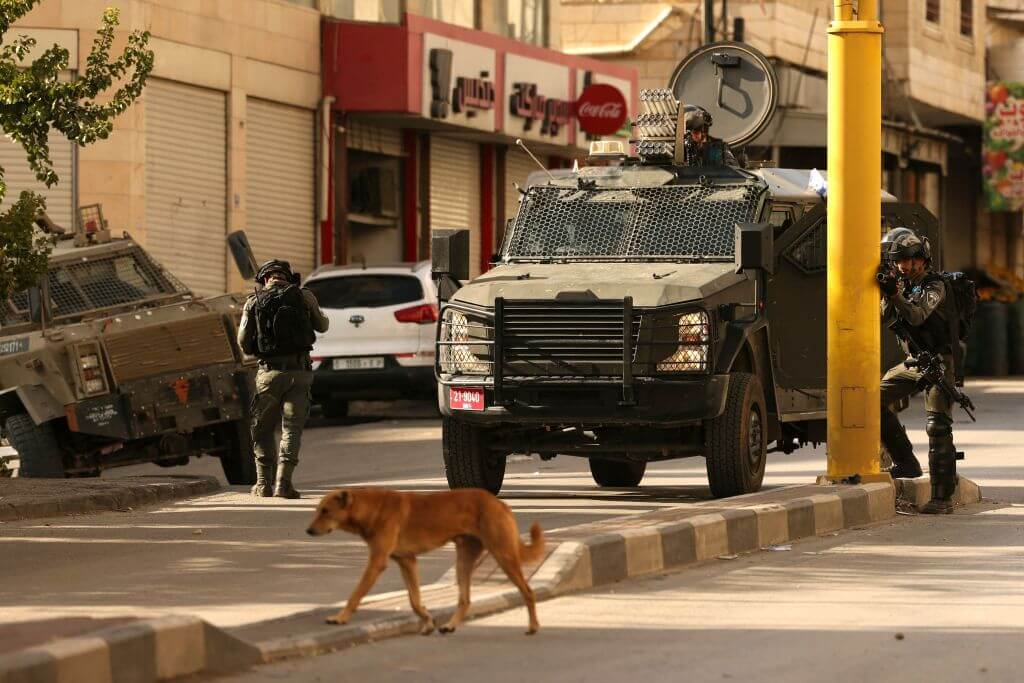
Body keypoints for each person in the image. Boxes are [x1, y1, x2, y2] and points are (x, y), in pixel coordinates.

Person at [878, 227, 958, 514]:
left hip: (938, 363)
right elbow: (882, 316)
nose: (907, 266)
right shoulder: (901, 282)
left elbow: (916, 314)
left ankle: (941, 498)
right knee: (870, 401)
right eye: (901, 261)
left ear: (923, 259)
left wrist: (896, 295)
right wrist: (888, 292)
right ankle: (907, 463)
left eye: (912, 260)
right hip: (915, 362)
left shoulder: (934, 285)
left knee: (938, 426)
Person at [238, 259, 329, 498]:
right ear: (288, 277)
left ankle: (262, 484)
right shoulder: (303, 296)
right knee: (291, 430)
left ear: (265, 279)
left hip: (267, 374)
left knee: (263, 429)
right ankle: (283, 484)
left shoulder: (253, 302)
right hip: (299, 373)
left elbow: (243, 343)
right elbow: (323, 326)